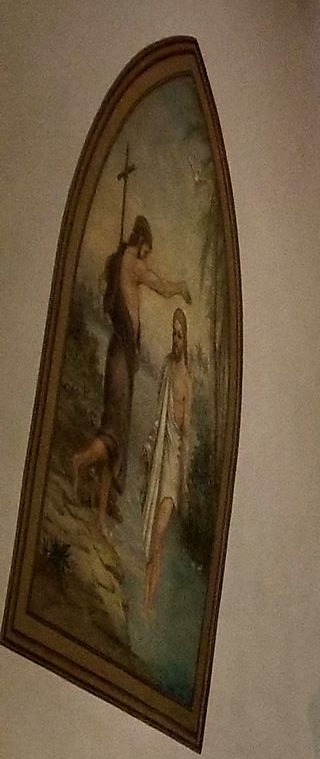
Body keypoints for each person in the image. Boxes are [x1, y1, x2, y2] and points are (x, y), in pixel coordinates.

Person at [71, 213, 190, 534]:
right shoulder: (132, 263)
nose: (148, 257)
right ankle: (79, 461)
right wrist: (180, 287)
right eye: (147, 250)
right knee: (113, 433)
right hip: (122, 356)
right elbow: (160, 286)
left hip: (123, 354)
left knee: (117, 438)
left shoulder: (119, 261)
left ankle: (99, 520)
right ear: (141, 242)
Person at [138, 305, 192, 611]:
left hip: (171, 468)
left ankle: (148, 602)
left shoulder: (187, 382)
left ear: (186, 339)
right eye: (173, 334)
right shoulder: (167, 368)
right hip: (159, 459)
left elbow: (185, 434)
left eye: (179, 335)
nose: (175, 340)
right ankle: (147, 599)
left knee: (157, 537)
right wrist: (149, 446)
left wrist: (183, 482)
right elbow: (158, 418)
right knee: (152, 542)